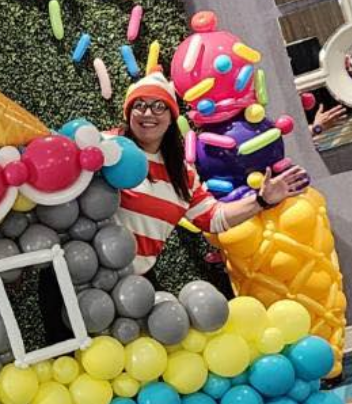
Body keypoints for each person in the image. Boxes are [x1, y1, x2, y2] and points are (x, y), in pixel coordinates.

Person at [114, 71, 310, 276]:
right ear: (129, 113)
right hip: (88, 261)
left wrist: (261, 200)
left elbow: (212, 218)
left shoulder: (182, 175)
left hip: (130, 281)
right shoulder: (109, 147)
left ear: (171, 117)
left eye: (159, 106)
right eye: (139, 105)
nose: (148, 113)